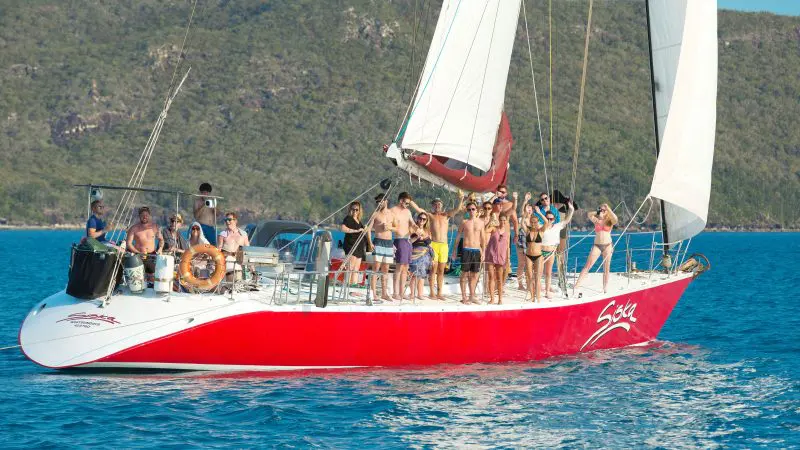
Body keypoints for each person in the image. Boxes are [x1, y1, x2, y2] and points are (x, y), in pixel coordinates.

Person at [408, 193, 465, 300]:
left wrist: (461, 199)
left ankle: (439, 293)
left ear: (442, 205)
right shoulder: (430, 215)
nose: (437, 206)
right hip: (434, 244)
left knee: (441, 270)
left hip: (444, 246)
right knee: (433, 269)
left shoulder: (446, 215)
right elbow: (418, 209)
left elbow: (457, 209)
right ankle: (432, 293)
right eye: (435, 204)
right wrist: (409, 200)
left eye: (439, 204)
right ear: (432, 206)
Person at [574, 203, 619, 294]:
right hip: (597, 245)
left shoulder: (610, 220)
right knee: (588, 265)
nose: (602, 211)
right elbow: (589, 214)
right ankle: (577, 285)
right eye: (600, 209)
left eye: (604, 210)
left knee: (606, 267)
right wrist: (599, 211)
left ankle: (605, 287)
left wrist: (608, 210)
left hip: (607, 245)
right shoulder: (596, 220)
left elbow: (615, 219)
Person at [451, 202, 485, 305]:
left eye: (473, 209)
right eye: (469, 209)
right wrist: (454, 251)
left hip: (476, 250)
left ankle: (472, 295)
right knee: (464, 274)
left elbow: (483, 238)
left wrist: (483, 251)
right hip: (466, 249)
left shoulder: (481, 222)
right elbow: (458, 237)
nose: (471, 211)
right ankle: (464, 297)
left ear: (476, 210)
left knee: (474, 275)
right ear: (467, 211)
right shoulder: (464, 222)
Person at [539, 200, 574, 299]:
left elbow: (567, 220)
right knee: (539, 272)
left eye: (551, 219)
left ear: (554, 219)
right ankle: (537, 289)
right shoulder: (542, 227)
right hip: (541, 252)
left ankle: (547, 291)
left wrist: (571, 209)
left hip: (551, 252)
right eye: (547, 218)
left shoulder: (557, 226)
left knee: (548, 272)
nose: (549, 220)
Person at [389, 192, 417, 300]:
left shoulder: (408, 211)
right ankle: (395, 292)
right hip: (399, 240)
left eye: (409, 203)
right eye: (406, 203)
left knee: (406, 268)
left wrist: (416, 228)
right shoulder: (392, 211)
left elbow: (412, 223)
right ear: (401, 200)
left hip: (408, 241)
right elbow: (389, 225)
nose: (407, 205)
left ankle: (402, 292)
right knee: (399, 267)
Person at [369, 193, 396, 301]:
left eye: (381, 201)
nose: (379, 203)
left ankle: (384, 293)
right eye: (377, 202)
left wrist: (389, 227)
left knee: (386, 269)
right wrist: (370, 242)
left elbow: (396, 228)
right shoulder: (375, 214)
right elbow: (368, 229)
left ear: (386, 201)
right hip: (378, 242)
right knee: (376, 268)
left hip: (388, 243)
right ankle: (374, 293)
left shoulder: (392, 214)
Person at [340, 201, 370, 286]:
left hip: (359, 246)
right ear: (350, 210)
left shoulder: (359, 221)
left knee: (356, 268)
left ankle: (353, 285)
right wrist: (355, 231)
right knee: (351, 266)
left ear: (359, 211)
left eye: (357, 210)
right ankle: (347, 285)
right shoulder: (348, 218)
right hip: (351, 245)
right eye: (353, 209)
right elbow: (343, 228)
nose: (355, 211)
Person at [126, 206, 161, 276]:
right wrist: (138, 252)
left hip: (152, 256)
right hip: (138, 256)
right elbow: (128, 244)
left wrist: (160, 249)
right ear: (139, 216)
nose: (144, 217)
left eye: (146, 215)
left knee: (153, 276)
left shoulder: (155, 227)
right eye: (142, 215)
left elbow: (161, 240)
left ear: (149, 216)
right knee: (139, 276)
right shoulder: (133, 228)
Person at [484, 213, 511, 305]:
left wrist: (508, 259)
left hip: (501, 257)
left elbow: (508, 247)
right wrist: (490, 222)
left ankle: (500, 299)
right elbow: (485, 230)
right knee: (491, 277)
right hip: (491, 255)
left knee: (500, 279)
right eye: (501, 220)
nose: (503, 222)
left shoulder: (507, 232)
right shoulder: (494, 228)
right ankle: (492, 298)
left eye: (504, 220)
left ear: (506, 221)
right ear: (499, 220)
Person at [409, 213, 433, 301]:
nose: (422, 220)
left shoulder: (427, 230)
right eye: (420, 218)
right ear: (417, 219)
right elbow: (410, 241)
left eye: (424, 219)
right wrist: (417, 236)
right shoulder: (413, 228)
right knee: (414, 274)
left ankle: (420, 294)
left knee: (422, 274)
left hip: (424, 254)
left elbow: (429, 242)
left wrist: (424, 237)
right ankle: (412, 294)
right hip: (414, 252)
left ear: (426, 221)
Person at [515, 192, 535, 291]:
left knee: (530, 265)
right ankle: (520, 284)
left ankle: (529, 284)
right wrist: (525, 201)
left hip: (531, 245)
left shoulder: (534, 220)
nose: (529, 210)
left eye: (530, 208)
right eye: (527, 208)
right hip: (521, 244)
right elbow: (521, 213)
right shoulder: (520, 219)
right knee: (521, 264)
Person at [525, 209, 546, 302]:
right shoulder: (527, 231)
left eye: (535, 222)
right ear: (530, 222)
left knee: (537, 277)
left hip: (538, 256)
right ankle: (532, 296)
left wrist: (540, 213)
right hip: (528, 255)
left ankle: (538, 297)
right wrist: (526, 213)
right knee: (529, 276)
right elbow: (522, 222)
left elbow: (546, 222)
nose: (533, 224)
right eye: (532, 222)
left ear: (538, 222)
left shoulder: (541, 231)